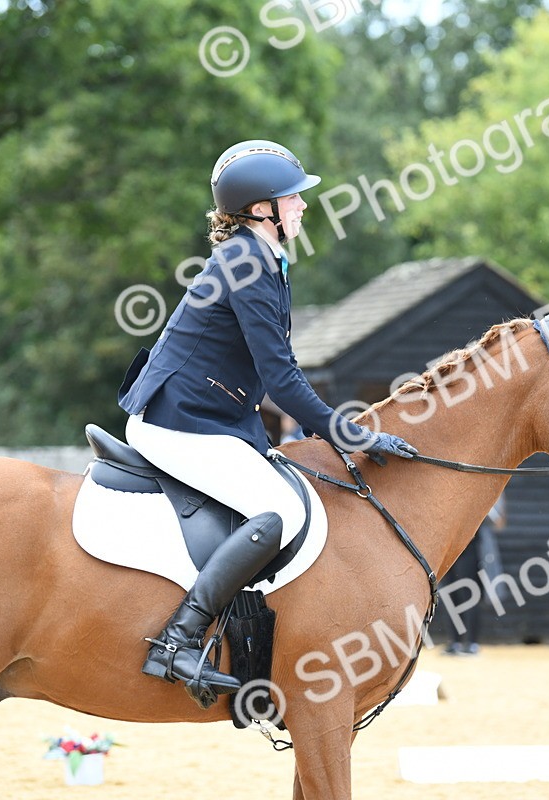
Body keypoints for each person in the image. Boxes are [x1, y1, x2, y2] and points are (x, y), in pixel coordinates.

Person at [117, 140, 418, 708]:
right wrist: (353, 435)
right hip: (178, 423)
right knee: (277, 512)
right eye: (293, 199)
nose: (303, 207)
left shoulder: (262, 258)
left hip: (211, 419)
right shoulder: (247, 261)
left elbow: (266, 376)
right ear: (261, 210)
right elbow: (280, 379)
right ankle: (179, 640)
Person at [444, 495, 507, 655]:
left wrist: (483, 507)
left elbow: (499, 522)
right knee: (450, 594)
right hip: (448, 548)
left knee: (470, 594)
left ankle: (471, 643)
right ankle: (455, 642)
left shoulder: (490, 490)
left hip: (472, 548)